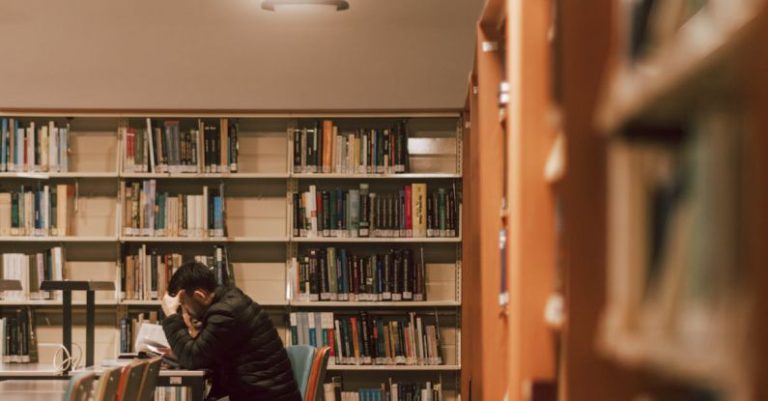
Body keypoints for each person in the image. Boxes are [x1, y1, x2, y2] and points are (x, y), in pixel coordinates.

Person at [161, 261, 301, 401]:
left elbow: (193, 358)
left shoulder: (225, 313)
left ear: (199, 295)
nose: (185, 311)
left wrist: (171, 315)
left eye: (184, 303)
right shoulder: (228, 302)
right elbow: (205, 356)